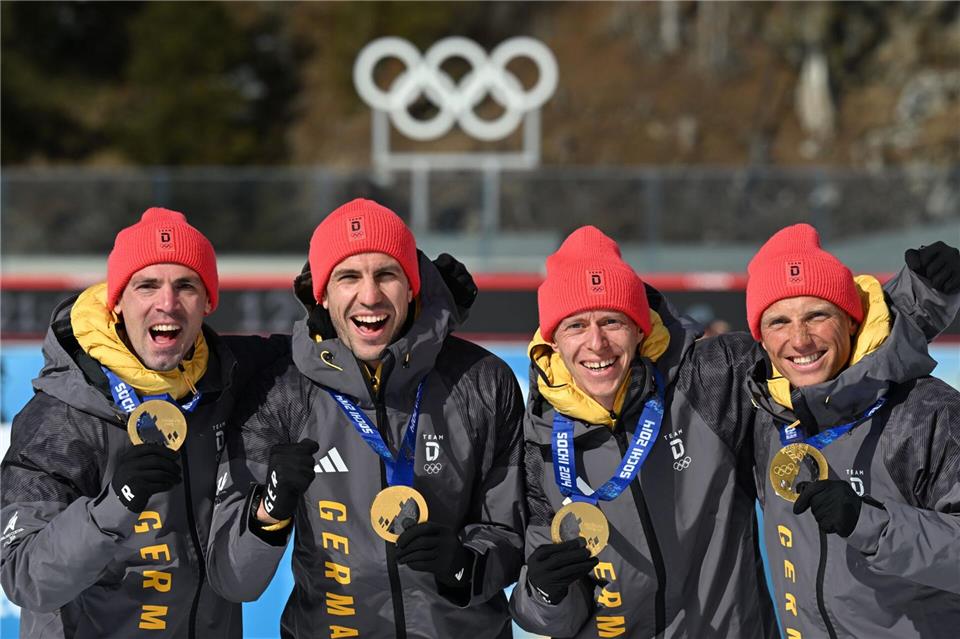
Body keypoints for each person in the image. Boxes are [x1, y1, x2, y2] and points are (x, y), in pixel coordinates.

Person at [508, 225, 958, 638]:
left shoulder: (708, 383)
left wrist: (923, 294)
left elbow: (835, 361)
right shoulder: (541, 440)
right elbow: (542, 611)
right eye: (575, 326)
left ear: (639, 328)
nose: (596, 343)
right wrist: (544, 591)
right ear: (553, 340)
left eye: (612, 321)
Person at [207, 198, 525, 638]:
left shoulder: (482, 383)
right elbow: (233, 578)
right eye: (348, 277)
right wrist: (269, 508)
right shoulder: (283, 394)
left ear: (413, 286)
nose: (370, 295)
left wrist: (463, 566)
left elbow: (511, 531)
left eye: (386, 274)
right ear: (322, 292)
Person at [0, 208, 289, 638]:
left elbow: (328, 348)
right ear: (116, 300)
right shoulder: (60, 414)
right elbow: (24, 577)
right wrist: (115, 503)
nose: (167, 303)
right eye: (147, 285)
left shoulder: (231, 377)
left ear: (209, 301)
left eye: (186, 286)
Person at [744, 225, 960, 638]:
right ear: (762, 339)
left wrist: (870, 523)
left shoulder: (927, 412)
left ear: (850, 320)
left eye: (817, 315)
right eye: (779, 321)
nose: (799, 339)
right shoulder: (762, 410)